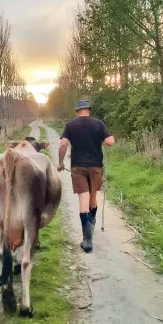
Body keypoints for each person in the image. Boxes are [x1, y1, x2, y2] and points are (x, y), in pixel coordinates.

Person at [57, 99, 114, 253]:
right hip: (96, 166)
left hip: (78, 167)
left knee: (83, 198)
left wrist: (61, 163)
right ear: (89, 110)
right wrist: (107, 139)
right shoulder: (99, 124)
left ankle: (87, 240)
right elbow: (110, 141)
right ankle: (92, 220)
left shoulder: (70, 125)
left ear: (77, 111)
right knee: (93, 196)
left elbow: (63, 145)